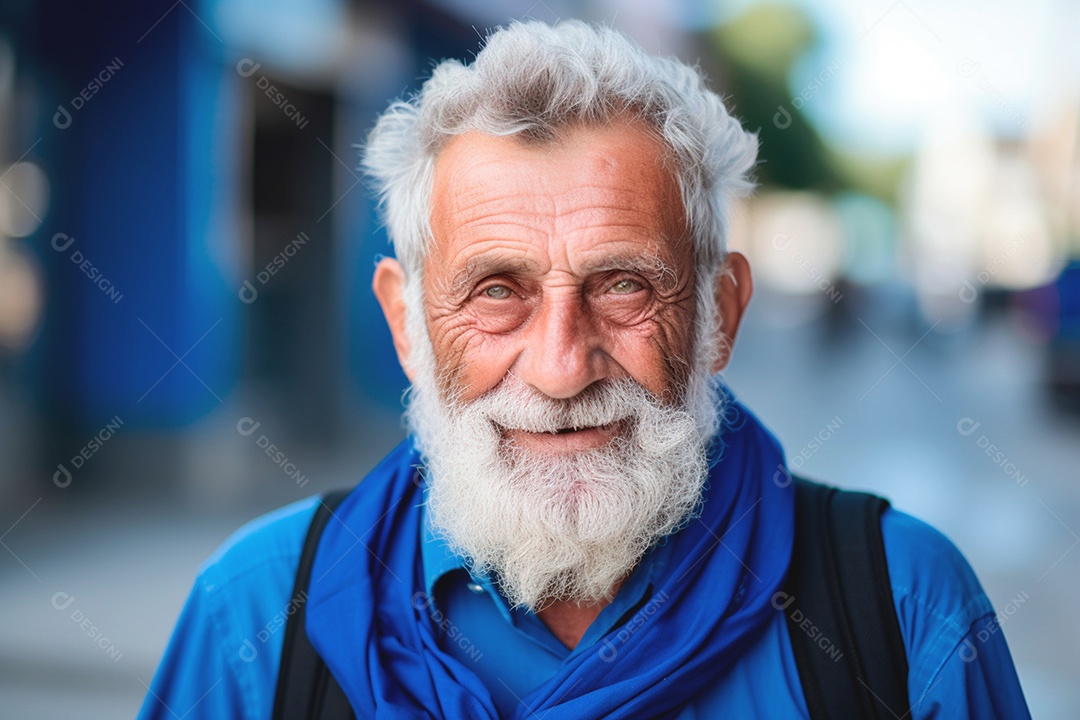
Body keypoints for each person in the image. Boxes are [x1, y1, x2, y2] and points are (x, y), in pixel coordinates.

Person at [138, 20, 1030, 719]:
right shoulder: (254, 611)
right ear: (406, 325)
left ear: (718, 313)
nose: (563, 369)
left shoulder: (904, 608)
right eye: (496, 291)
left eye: (623, 286)